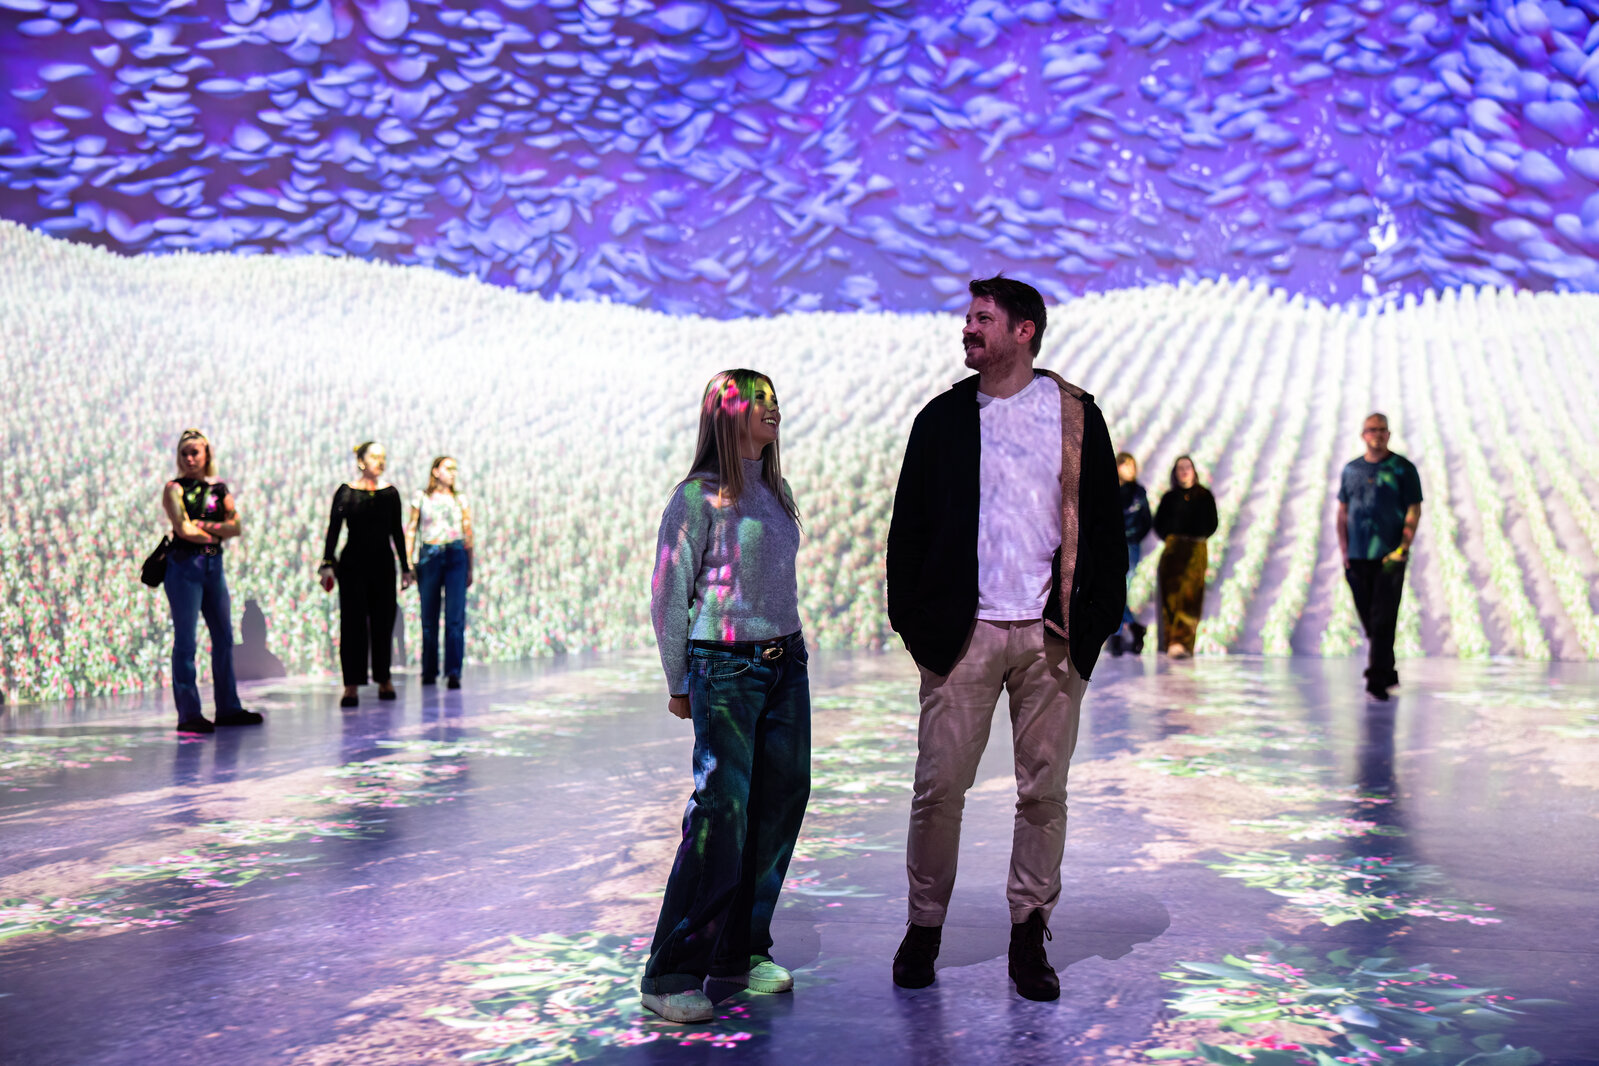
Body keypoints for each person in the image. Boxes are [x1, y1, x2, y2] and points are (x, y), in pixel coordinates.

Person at [885, 276, 1126, 1002]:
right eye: (967, 318)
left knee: (1043, 795)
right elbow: (908, 531)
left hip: (1050, 637)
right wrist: (917, 625)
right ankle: (923, 927)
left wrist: (1089, 627)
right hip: (964, 635)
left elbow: (1105, 529)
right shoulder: (941, 419)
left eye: (982, 318)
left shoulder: (1075, 414)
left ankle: (1029, 931)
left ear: (1024, 331)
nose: (968, 328)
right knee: (937, 790)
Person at [642, 370, 810, 1025]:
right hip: (726, 666)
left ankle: (740, 951)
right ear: (725, 413)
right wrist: (678, 681)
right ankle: (671, 971)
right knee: (721, 817)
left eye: (774, 397)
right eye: (756, 399)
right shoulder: (696, 498)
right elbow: (668, 591)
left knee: (778, 807)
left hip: (784, 662)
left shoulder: (776, 490)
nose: (772, 407)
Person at [160, 429, 263, 734]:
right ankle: (189, 713)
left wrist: (203, 527)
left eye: (195, 452)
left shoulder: (219, 489)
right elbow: (183, 530)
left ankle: (228, 708)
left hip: (213, 566)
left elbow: (236, 526)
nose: (189, 458)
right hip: (184, 566)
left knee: (224, 637)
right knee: (186, 641)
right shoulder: (174, 488)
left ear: (206, 454)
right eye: (184, 453)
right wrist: (216, 532)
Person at [319, 441, 413, 708]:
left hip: (383, 564)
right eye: (374, 456)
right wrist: (327, 562)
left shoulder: (390, 493)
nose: (380, 461)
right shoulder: (346, 492)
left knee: (384, 621)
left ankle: (384, 678)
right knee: (353, 623)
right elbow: (334, 529)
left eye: (383, 457)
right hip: (353, 565)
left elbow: (397, 532)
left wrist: (406, 567)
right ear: (361, 461)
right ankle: (351, 685)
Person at [1337, 413, 1423, 701]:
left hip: (1390, 557)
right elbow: (1342, 511)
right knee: (1371, 621)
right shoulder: (1351, 470)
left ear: (1389, 434)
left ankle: (1376, 679)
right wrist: (1344, 551)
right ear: (1363, 435)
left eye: (1382, 429)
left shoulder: (1402, 469)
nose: (1377, 434)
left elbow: (1414, 509)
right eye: (1372, 430)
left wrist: (1403, 549)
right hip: (1357, 556)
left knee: (1383, 617)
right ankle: (1387, 671)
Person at [407, 456, 474, 689]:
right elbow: (412, 529)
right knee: (429, 617)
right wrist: (409, 562)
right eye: (448, 468)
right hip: (430, 555)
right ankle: (429, 670)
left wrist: (470, 565)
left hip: (456, 554)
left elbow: (468, 533)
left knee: (455, 618)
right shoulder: (422, 497)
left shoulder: (459, 498)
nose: (453, 473)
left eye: (455, 469)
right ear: (435, 471)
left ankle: (453, 671)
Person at [1152, 455, 1218, 659]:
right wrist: (1171, 537)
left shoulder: (1204, 495)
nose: (1184, 471)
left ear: (1194, 471)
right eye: (1180, 468)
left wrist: (1198, 534)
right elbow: (1159, 523)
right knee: (1170, 596)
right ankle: (1170, 641)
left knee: (1190, 596)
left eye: (1187, 467)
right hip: (1173, 548)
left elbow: (1213, 523)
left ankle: (1182, 643)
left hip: (1196, 548)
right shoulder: (1169, 497)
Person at [1110, 451, 1153, 656]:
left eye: (1131, 465)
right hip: (1110, 545)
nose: (1128, 469)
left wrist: (1134, 537)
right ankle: (1133, 627)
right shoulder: (1108, 489)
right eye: (1124, 464)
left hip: (1130, 545)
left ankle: (1118, 636)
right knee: (1113, 590)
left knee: (1121, 588)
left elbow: (1146, 520)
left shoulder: (1138, 492)